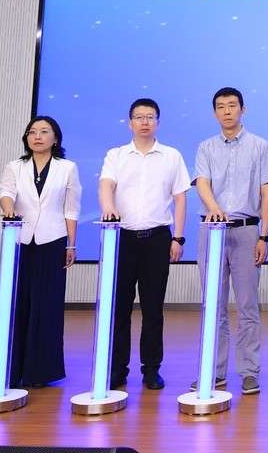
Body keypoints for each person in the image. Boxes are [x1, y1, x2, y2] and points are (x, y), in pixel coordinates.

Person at [100, 98, 190, 391]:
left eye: (150, 117)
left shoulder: (171, 156)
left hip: (157, 239)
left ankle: (151, 369)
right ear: (130, 123)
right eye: (139, 117)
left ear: (158, 123)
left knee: (153, 309)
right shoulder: (116, 155)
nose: (144, 122)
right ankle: (117, 369)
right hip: (122, 239)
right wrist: (108, 208)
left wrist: (178, 237)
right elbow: (106, 185)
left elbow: (180, 199)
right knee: (119, 308)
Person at [194, 87, 268, 396]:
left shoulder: (259, 145)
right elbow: (202, 183)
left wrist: (264, 235)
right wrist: (214, 209)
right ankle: (214, 371)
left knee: (247, 306)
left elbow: (267, 193)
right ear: (214, 112)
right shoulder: (205, 147)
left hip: (246, 232)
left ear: (243, 109)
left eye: (232, 105)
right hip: (212, 231)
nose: (227, 111)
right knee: (212, 305)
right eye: (221, 106)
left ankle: (249, 371)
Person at [0, 115, 82, 389]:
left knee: (47, 307)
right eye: (32, 132)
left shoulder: (67, 168)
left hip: (53, 240)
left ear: (55, 138)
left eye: (44, 131)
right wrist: (9, 209)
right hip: (20, 241)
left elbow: (71, 208)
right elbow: (6, 193)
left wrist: (71, 244)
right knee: (18, 304)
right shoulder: (14, 166)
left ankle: (40, 372)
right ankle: (13, 370)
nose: (37, 136)